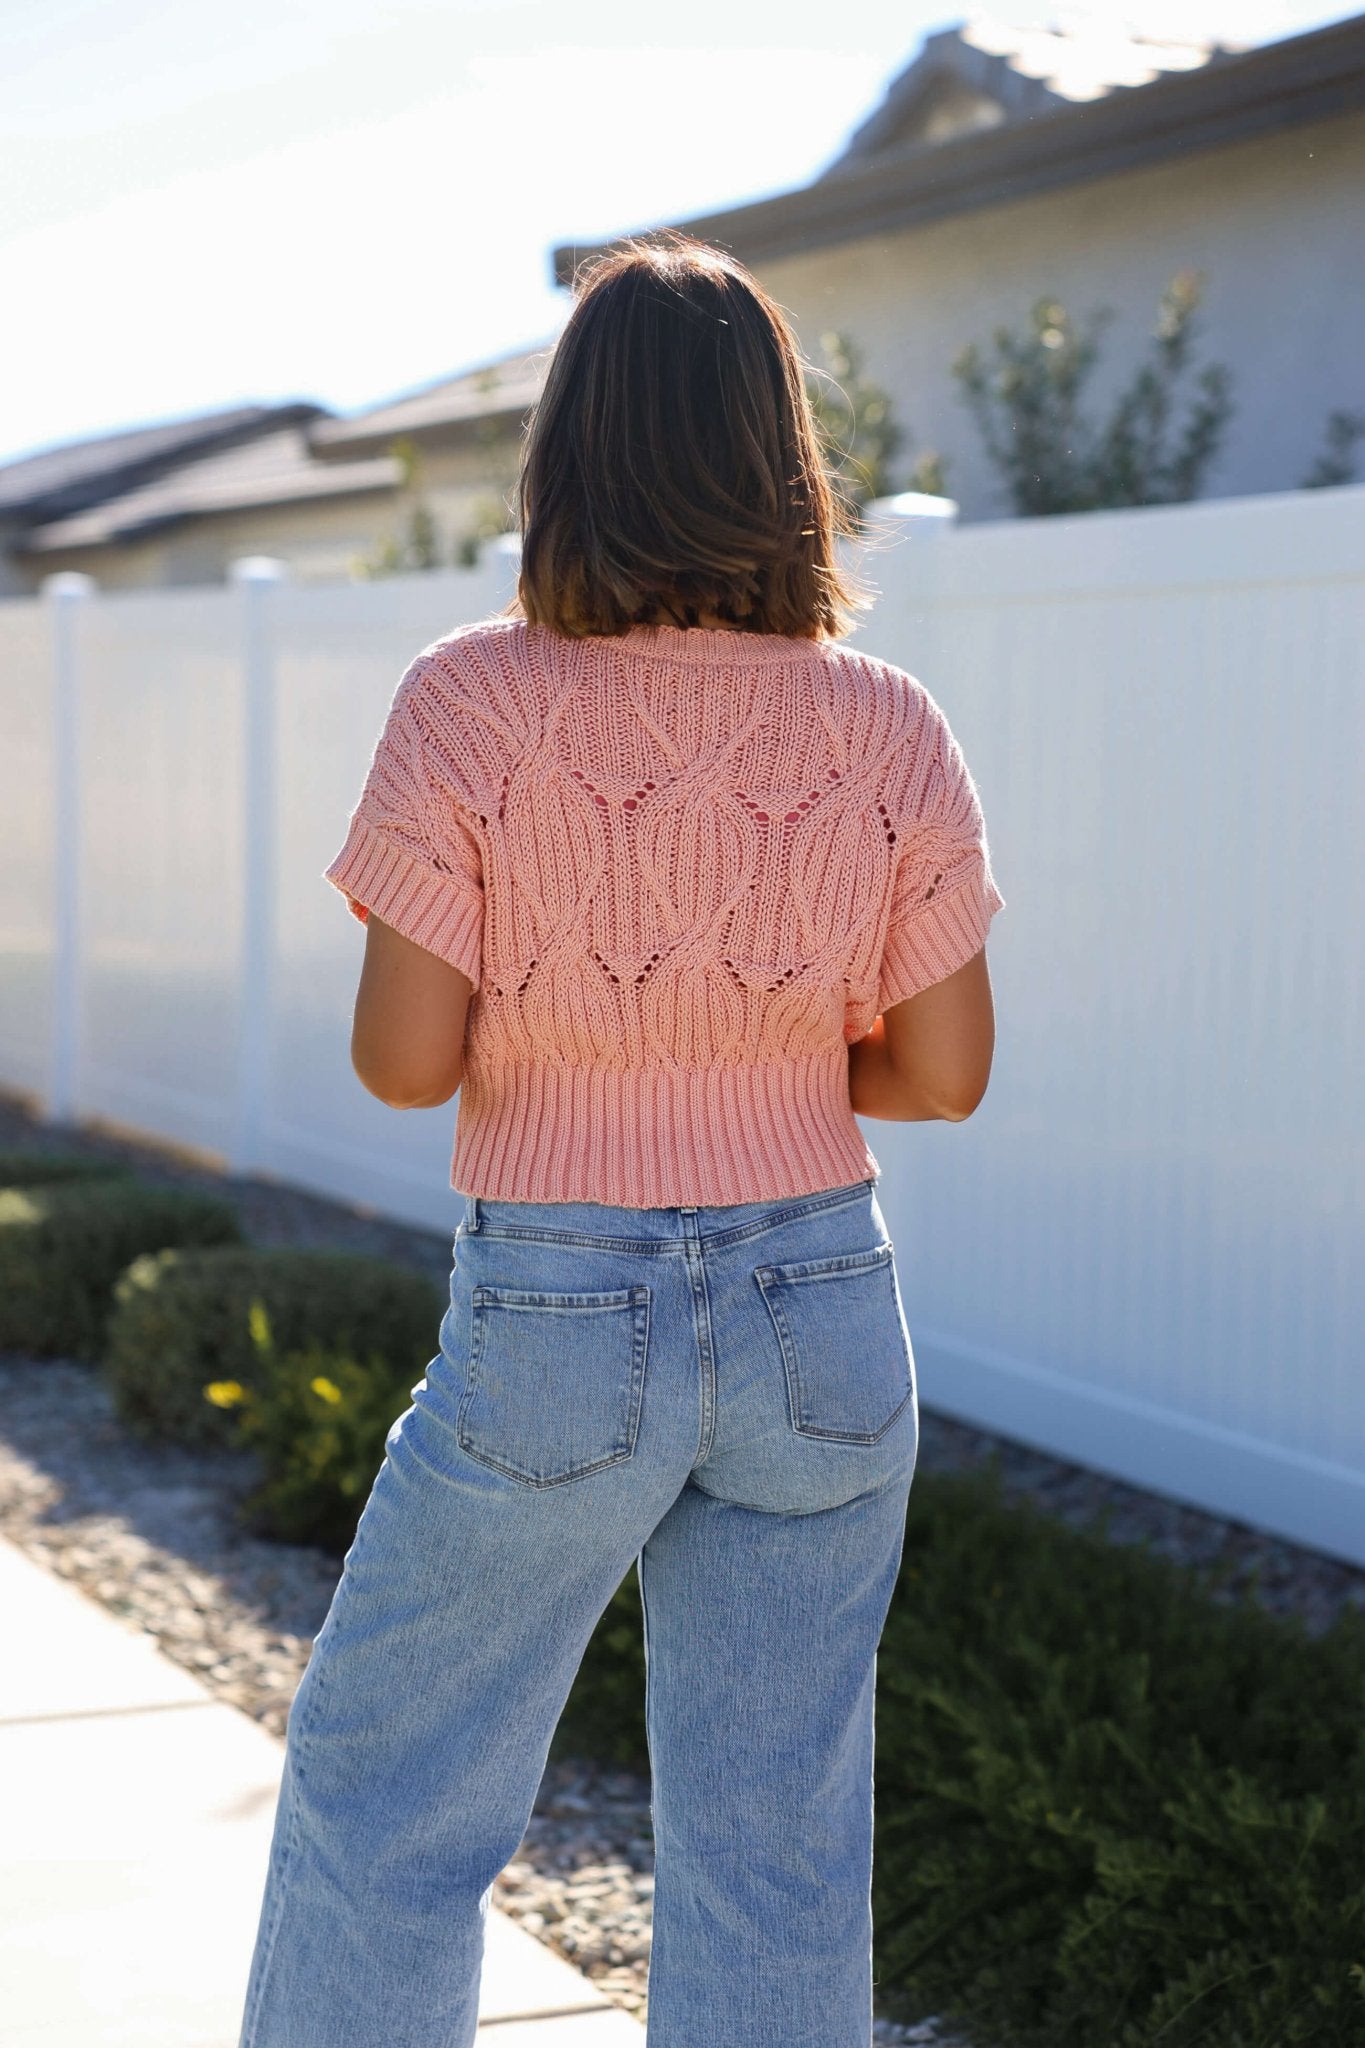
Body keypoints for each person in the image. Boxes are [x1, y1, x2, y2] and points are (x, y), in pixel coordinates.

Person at [237, 228, 1004, 2048]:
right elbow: (947, 1072)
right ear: (781, 457)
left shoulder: (470, 702)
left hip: (560, 1314)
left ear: (563, 452)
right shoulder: (886, 725)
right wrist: (760, 1063)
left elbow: (405, 1067)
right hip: (826, 1302)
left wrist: (587, 1032)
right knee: (777, 1843)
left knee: (386, 1793)